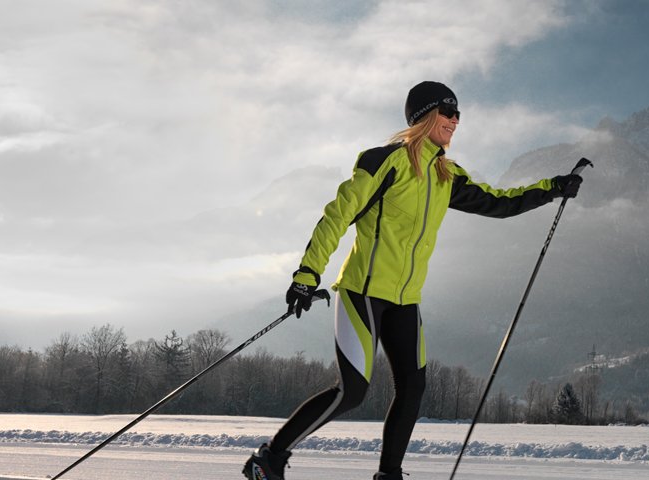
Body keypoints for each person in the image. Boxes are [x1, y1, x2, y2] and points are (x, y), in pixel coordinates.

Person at [242, 81, 583, 480]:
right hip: (362, 294)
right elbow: (338, 215)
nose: (456, 121)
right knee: (352, 391)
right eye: (448, 113)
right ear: (424, 116)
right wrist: (306, 274)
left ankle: (389, 476)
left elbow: (500, 202)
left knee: (413, 388)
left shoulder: (446, 175)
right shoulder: (383, 161)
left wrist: (554, 188)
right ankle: (270, 458)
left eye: (458, 114)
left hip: (406, 301)